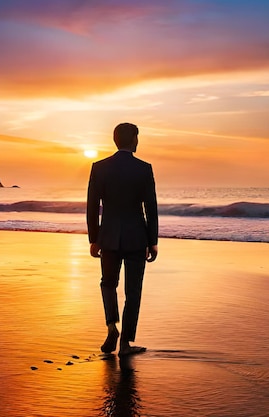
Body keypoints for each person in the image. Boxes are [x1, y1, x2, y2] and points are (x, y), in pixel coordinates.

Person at [86, 122, 159, 357]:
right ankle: (125, 344)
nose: (138, 142)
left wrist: (94, 238)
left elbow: (92, 206)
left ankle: (111, 326)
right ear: (133, 140)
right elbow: (150, 207)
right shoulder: (144, 169)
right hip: (137, 237)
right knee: (133, 291)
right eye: (137, 138)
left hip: (108, 236)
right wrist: (153, 240)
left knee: (108, 283)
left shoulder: (99, 168)